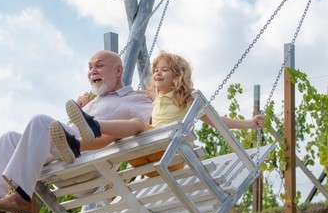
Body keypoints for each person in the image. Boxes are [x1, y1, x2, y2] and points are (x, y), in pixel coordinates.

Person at [0, 50, 153, 213]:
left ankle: (22, 197)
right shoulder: (95, 102)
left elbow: (155, 119)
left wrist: (155, 95)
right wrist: (83, 108)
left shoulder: (134, 98)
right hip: (65, 156)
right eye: (90, 67)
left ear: (118, 71)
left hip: (90, 162)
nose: (92, 70)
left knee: (41, 122)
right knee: (10, 138)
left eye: (99, 66)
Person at [49, 51, 265, 166]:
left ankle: (93, 124)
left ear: (178, 75)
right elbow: (131, 97)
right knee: (119, 135)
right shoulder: (154, 96)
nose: (158, 74)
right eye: (156, 70)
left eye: (165, 70)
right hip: (146, 153)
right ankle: (77, 145)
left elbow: (218, 120)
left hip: (170, 151)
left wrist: (247, 123)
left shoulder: (187, 98)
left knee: (136, 124)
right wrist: (88, 103)